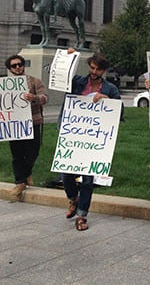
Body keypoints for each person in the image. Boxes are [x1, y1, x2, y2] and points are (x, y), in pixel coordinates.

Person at [60, 50, 121, 231]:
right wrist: (68, 56)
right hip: (73, 134)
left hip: (94, 139)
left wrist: (106, 99)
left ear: (104, 71)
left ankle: (82, 215)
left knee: (88, 179)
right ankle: (73, 199)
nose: (94, 72)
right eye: (92, 68)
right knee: (66, 174)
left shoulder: (111, 89)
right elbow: (60, 76)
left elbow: (119, 112)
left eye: (98, 70)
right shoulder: (77, 82)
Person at [5, 54, 49, 198]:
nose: (17, 67)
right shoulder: (5, 84)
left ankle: (27, 173)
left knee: (33, 151)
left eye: (20, 64)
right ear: (10, 68)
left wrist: (35, 98)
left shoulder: (34, 81)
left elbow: (45, 97)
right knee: (17, 154)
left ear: (23, 65)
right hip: (14, 124)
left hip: (33, 121)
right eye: (14, 66)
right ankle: (20, 182)